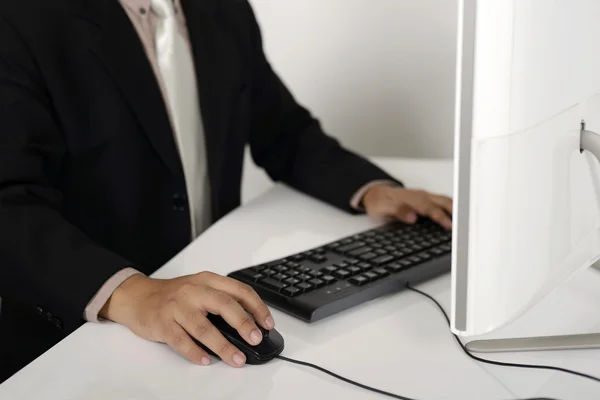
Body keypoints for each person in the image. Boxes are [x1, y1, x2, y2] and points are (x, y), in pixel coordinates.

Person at [0, 0, 453, 383]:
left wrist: (370, 189)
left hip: (210, 298)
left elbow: (283, 131)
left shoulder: (221, 8)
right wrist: (131, 293)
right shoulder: (21, 19)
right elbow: (9, 204)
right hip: (79, 337)